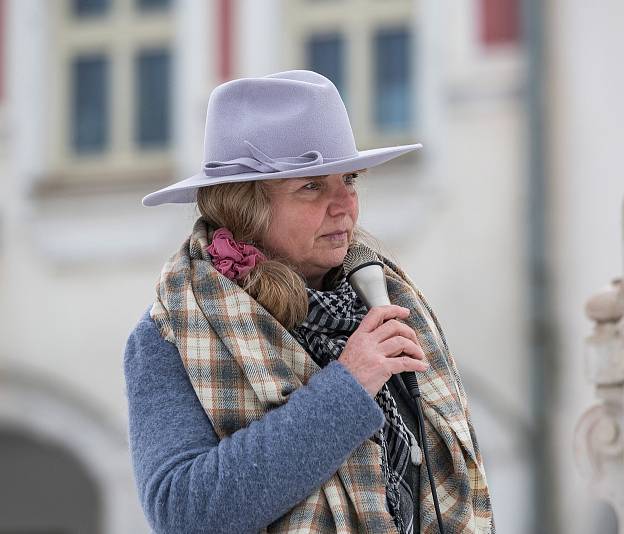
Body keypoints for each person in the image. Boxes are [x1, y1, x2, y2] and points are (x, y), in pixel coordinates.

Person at [124, 70, 495, 533]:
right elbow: (182, 512)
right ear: (244, 205)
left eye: (350, 179)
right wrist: (349, 387)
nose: (345, 206)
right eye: (312, 186)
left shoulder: (382, 297)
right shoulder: (172, 332)